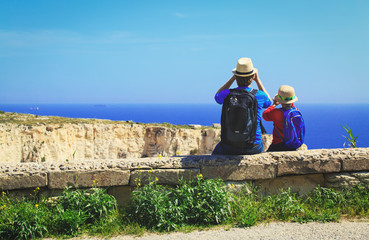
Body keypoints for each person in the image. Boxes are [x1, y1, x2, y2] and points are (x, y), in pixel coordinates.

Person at [212, 57, 272, 155]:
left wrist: (233, 78)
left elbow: (217, 97)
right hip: (253, 146)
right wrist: (258, 80)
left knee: (215, 154)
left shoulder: (227, 94)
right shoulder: (259, 95)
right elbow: (269, 102)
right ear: (252, 77)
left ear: (236, 77)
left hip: (230, 145)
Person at [262, 85, 301, 152]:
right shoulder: (296, 111)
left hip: (278, 145)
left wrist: (274, 105)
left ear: (280, 100)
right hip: (292, 144)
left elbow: (265, 115)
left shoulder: (277, 112)